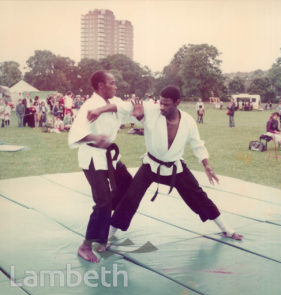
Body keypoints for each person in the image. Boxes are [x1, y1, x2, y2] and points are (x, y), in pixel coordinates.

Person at [88, 86, 243, 242]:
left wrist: (206, 165)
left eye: (166, 104)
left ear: (177, 102)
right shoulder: (151, 110)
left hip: (175, 167)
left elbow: (197, 144)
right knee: (130, 199)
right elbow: (123, 107)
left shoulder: (188, 121)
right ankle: (107, 236)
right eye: (161, 103)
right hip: (150, 166)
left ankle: (227, 230)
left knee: (199, 197)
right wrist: (100, 110)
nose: (162, 107)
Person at [68, 70, 133, 263]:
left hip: (111, 158)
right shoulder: (89, 105)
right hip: (93, 158)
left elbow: (127, 106)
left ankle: (105, 229)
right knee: (103, 202)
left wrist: (105, 110)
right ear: (101, 86)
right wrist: (94, 137)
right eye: (112, 83)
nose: (115, 86)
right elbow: (76, 132)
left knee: (127, 185)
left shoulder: (110, 102)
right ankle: (86, 246)